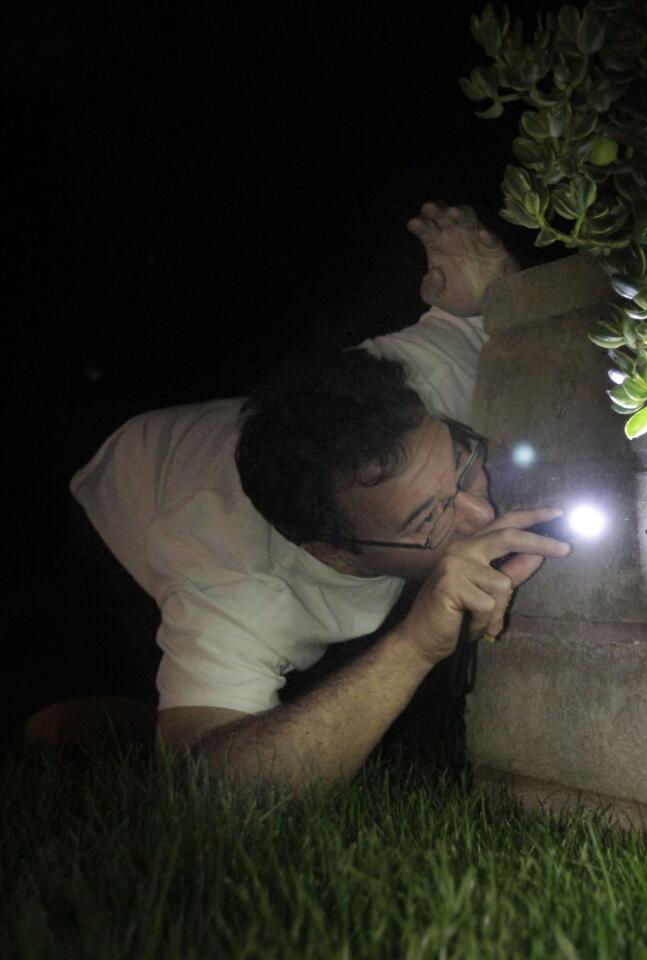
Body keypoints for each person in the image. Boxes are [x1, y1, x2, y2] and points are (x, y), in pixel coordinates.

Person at [24, 203, 568, 789]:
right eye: (429, 517)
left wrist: (496, 279)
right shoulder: (235, 586)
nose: (481, 512)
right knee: (57, 731)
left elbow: (487, 310)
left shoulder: (412, 386)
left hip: (222, 442)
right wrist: (413, 646)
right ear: (335, 553)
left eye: (463, 464)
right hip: (118, 520)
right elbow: (203, 786)